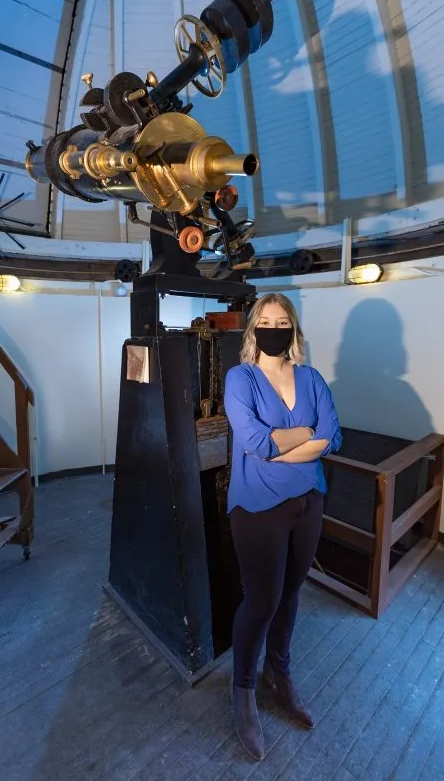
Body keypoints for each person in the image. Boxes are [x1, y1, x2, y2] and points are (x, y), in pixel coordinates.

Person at [224, 292, 342, 761]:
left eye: (283, 321)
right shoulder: (241, 378)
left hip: (308, 500)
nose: (275, 328)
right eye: (266, 321)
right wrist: (306, 437)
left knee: (291, 593)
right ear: (254, 330)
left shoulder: (311, 378)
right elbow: (253, 442)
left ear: (293, 329)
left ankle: (280, 674)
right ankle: (243, 689)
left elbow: (333, 435)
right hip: (258, 505)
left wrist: (283, 443)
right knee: (262, 600)